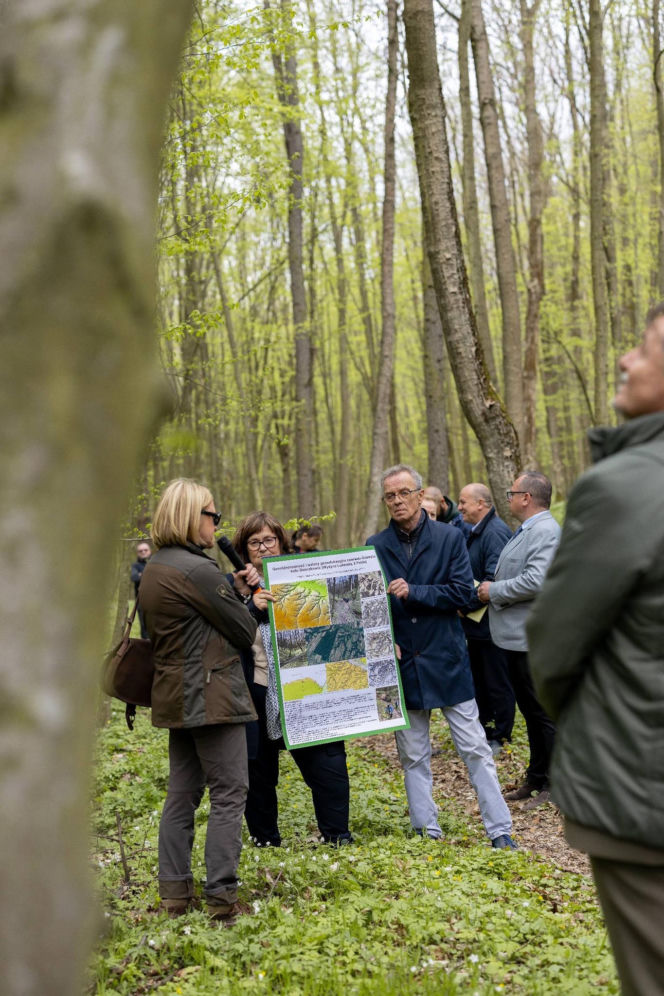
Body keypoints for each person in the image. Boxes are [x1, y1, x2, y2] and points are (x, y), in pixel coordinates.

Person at [527, 305, 664, 996]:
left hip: (643, 798)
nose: (626, 360)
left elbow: (552, 648)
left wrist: (587, 727)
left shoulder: (625, 487)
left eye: (645, 349)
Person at [367, 464, 515, 849]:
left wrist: (415, 592)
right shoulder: (374, 545)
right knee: (413, 754)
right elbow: (368, 608)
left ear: (420, 495)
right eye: (390, 495)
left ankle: (500, 830)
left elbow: (463, 593)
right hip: (403, 662)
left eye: (404, 493)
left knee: (476, 748)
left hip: (447, 657)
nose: (397, 501)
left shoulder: (451, 537)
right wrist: (383, 643)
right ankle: (426, 830)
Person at [138, 479, 258, 919]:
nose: (217, 524)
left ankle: (173, 893)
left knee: (182, 794)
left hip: (175, 694)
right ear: (193, 517)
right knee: (230, 793)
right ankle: (222, 900)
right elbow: (244, 632)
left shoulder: (156, 567)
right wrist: (249, 602)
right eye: (213, 514)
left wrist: (238, 595)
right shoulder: (199, 570)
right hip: (213, 696)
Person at [231, 511, 352, 846]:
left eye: (269, 540)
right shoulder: (232, 587)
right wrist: (249, 603)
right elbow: (225, 635)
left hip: (307, 687)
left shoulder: (304, 575)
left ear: (282, 542)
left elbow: (338, 622)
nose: (263, 548)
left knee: (327, 765)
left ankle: (337, 836)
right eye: (254, 543)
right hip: (257, 690)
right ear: (244, 550)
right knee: (258, 771)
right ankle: (265, 840)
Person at [477, 471, 559, 809]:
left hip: (533, 639)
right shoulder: (529, 530)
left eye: (512, 492)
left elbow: (536, 581)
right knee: (532, 712)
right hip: (516, 639)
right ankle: (536, 778)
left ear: (526, 497)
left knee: (544, 714)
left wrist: (492, 590)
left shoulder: (546, 531)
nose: (507, 497)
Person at [457, 483, 515, 756]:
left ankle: (501, 735)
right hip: (476, 626)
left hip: (493, 626)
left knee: (497, 681)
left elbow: (494, 580)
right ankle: (485, 730)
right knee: (480, 681)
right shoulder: (473, 531)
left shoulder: (495, 533)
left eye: (463, 502)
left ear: (481, 503)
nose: (459, 508)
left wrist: (463, 607)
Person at [130, 540, 151, 638]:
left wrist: (141, 574)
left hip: (156, 600)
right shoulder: (135, 565)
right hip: (141, 602)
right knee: (144, 628)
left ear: (149, 551)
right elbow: (134, 577)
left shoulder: (154, 563)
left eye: (145, 550)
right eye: (140, 551)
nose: (143, 552)